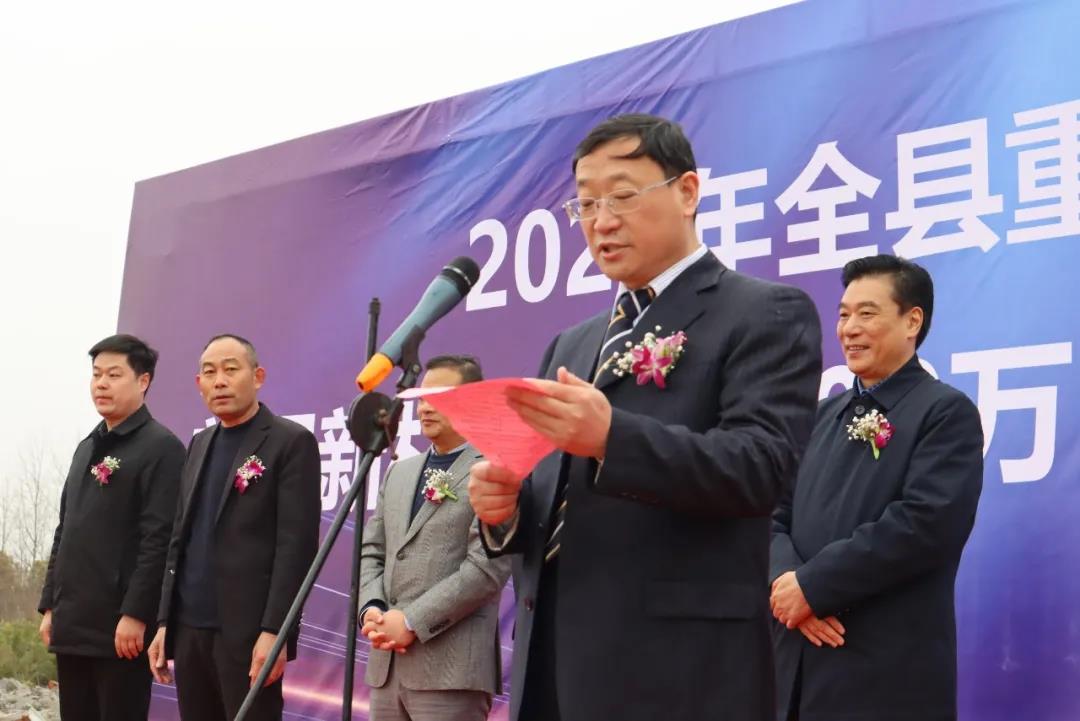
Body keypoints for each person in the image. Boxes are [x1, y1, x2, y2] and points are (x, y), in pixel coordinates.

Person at [467, 113, 823, 721]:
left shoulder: (764, 313)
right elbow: (557, 503)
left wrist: (613, 437)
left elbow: (760, 468)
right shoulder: (572, 344)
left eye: (623, 196)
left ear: (687, 192)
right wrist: (506, 512)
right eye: (585, 204)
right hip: (550, 664)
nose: (602, 221)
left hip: (676, 673)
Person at [769, 255, 984, 721]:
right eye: (844, 314)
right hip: (795, 668)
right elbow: (773, 514)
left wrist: (814, 586)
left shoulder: (945, 412)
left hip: (884, 676)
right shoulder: (820, 416)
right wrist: (786, 582)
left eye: (867, 313)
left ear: (912, 321)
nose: (849, 329)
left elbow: (925, 525)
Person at [147, 334, 321, 721]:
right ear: (199, 384)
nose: (220, 381)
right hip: (190, 631)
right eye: (209, 373)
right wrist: (164, 622)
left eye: (231, 369)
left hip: (249, 636)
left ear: (258, 377)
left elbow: (296, 549)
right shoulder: (199, 444)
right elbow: (179, 540)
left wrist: (275, 632)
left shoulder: (290, 442)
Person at [38, 334, 185, 721]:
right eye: (96, 374)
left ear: (143, 380)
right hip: (73, 623)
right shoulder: (87, 447)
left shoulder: (162, 448)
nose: (101, 384)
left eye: (114, 375)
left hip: (120, 630)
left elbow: (159, 541)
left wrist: (136, 613)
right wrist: (51, 604)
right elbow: (65, 530)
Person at [359, 354, 511, 721]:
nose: (426, 407)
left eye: (440, 397)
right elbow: (372, 550)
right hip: (387, 669)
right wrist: (372, 609)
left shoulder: (496, 472)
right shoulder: (399, 472)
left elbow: (486, 569)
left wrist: (411, 621)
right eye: (422, 397)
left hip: (451, 672)